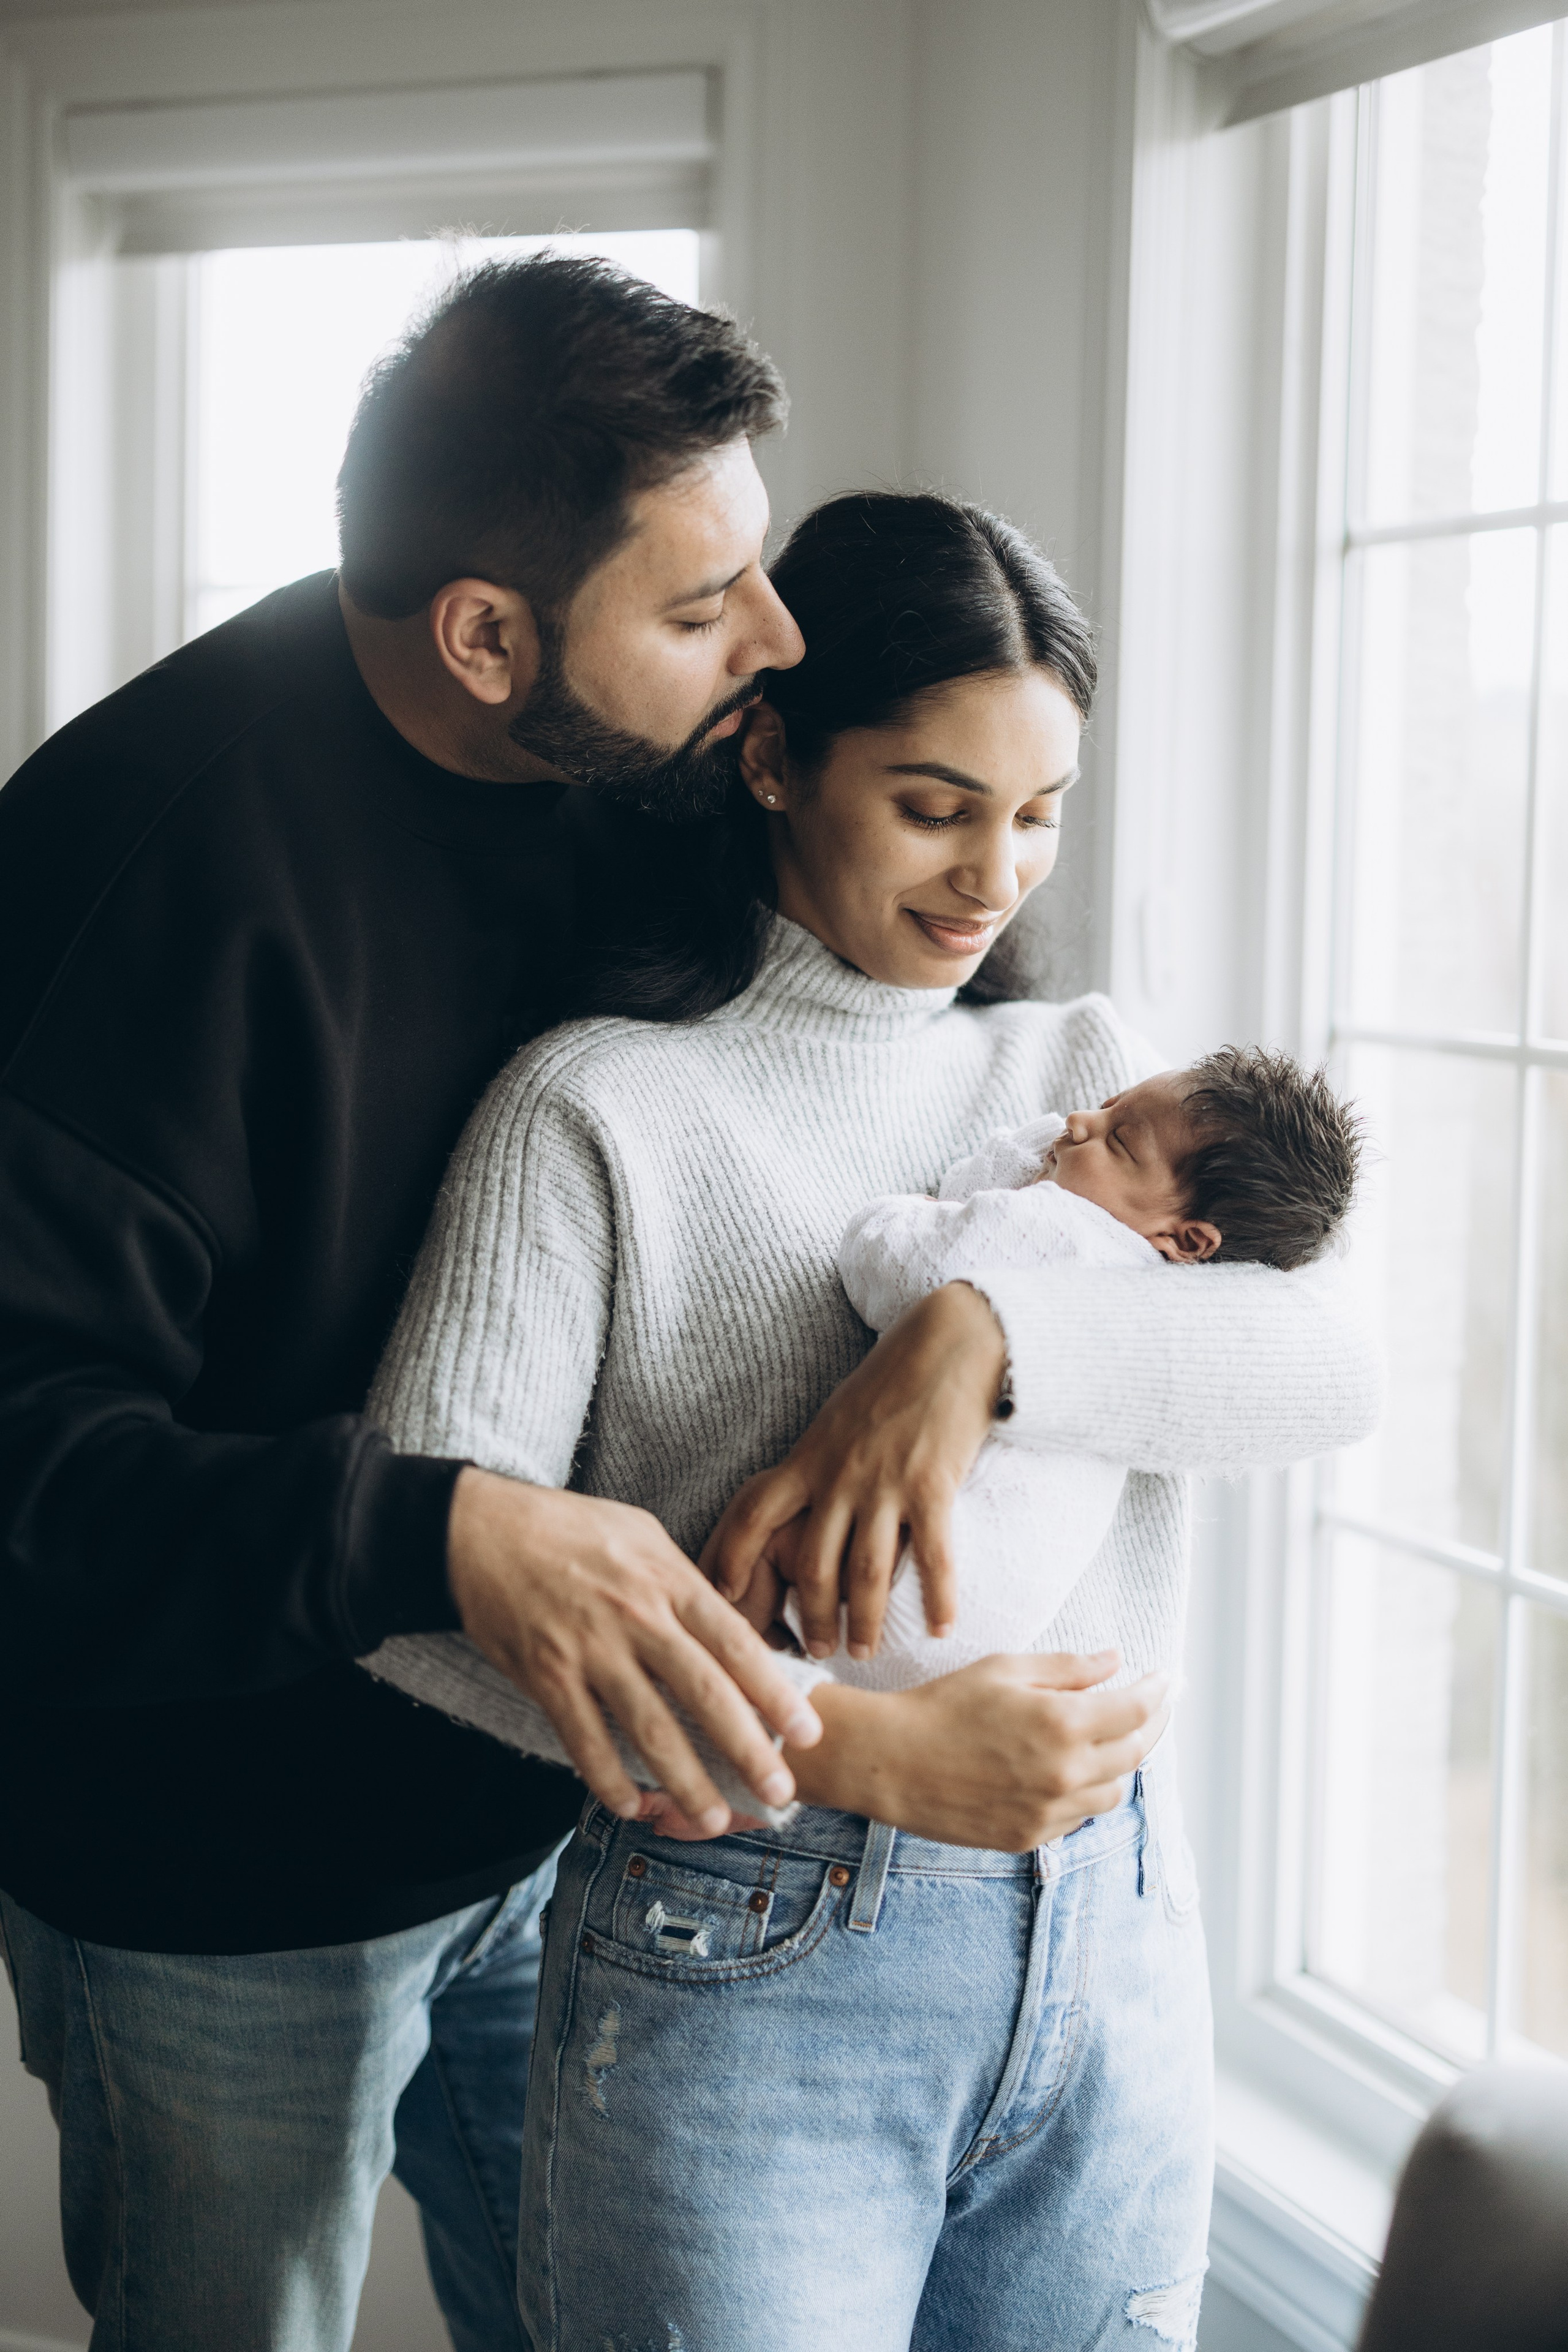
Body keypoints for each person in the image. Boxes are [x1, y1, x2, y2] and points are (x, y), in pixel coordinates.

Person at [0, 264, 1166, 2352]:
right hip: (223, 1865)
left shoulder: (659, 773)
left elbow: (912, 1083)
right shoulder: (129, 874)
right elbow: (21, 1461)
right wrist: (436, 1523)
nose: (778, 640)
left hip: (591, 1815)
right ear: (486, 632)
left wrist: (984, 1322)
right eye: (708, 601)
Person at [363, 491, 1382, 2349]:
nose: (995, 876)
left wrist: (977, 1338)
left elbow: (1333, 1370)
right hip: (742, 1944)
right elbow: (430, 1599)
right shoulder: (599, 1110)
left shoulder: (1082, 1073)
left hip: (1115, 1933)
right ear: (766, 756)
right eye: (934, 804)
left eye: (1040, 814)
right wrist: (847, 1752)